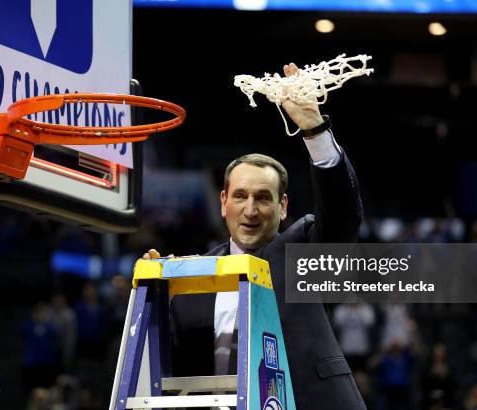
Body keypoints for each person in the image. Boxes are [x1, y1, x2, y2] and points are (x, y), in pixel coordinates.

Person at [144, 63, 365, 409]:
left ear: (282, 207)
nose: (250, 209)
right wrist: (154, 289)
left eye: (263, 198)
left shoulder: (303, 253)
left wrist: (314, 131)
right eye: (240, 196)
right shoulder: (189, 278)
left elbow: (342, 216)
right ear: (223, 202)